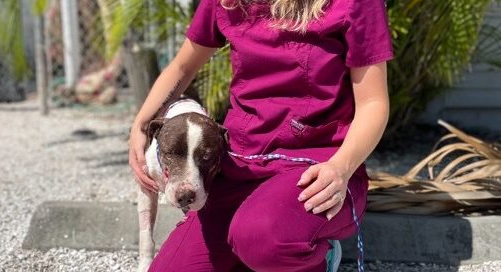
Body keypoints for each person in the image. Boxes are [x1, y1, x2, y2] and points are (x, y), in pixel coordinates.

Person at [129, 0, 393, 270]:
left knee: (261, 238)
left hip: (318, 169)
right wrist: (140, 126)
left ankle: (317, 257)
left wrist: (341, 167)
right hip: (241, 166)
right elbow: (183, 68)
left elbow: (374, 103)